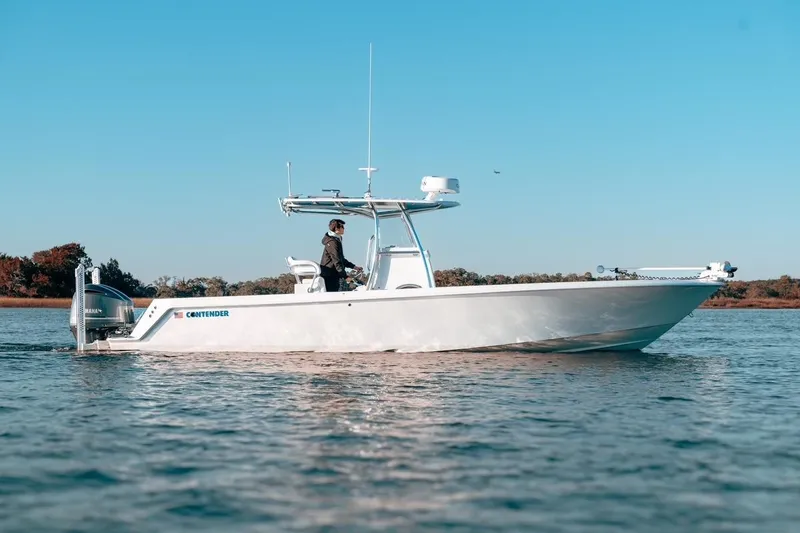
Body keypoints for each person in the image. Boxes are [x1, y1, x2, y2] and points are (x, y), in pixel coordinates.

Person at [320, 218, 361, 292]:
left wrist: (354, 266)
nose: (344, 228)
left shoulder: (337, 239)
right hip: (329, 275)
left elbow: (341, 259)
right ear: (336, 228)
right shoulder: (332, 242)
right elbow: (337, 261)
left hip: (334, 274)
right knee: (332, 296)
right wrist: (345, 276)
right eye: (342, 227)